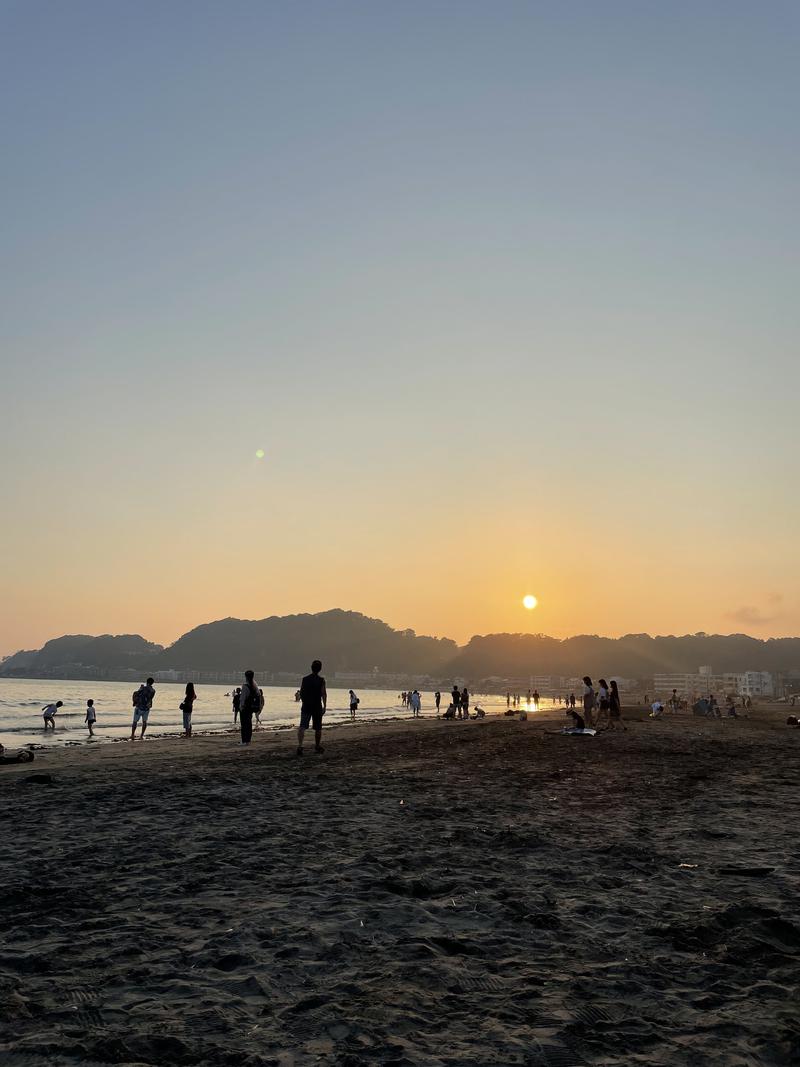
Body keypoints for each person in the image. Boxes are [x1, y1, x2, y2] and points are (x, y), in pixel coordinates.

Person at [298, 659, 327, 755]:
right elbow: (324, 694)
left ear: (311, 668)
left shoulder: (305, 679)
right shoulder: (321, 680)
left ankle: (300, 746)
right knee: (318, 728)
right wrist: (325, 706)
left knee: (302, 726)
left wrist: (304, 701)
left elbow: (301, 693)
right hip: (317, 706)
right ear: (320, 669)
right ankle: (317, 746)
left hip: (306, 705)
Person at [238, 671, 260, 746]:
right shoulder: (255, 685)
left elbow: (243, 698)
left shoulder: (245, 686)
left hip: (245, 708)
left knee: (244, 725)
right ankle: (248, 740)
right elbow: (258, 695)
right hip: (251, 708)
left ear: (246, 676)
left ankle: (244, 741)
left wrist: (241, 707)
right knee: (249, 724)